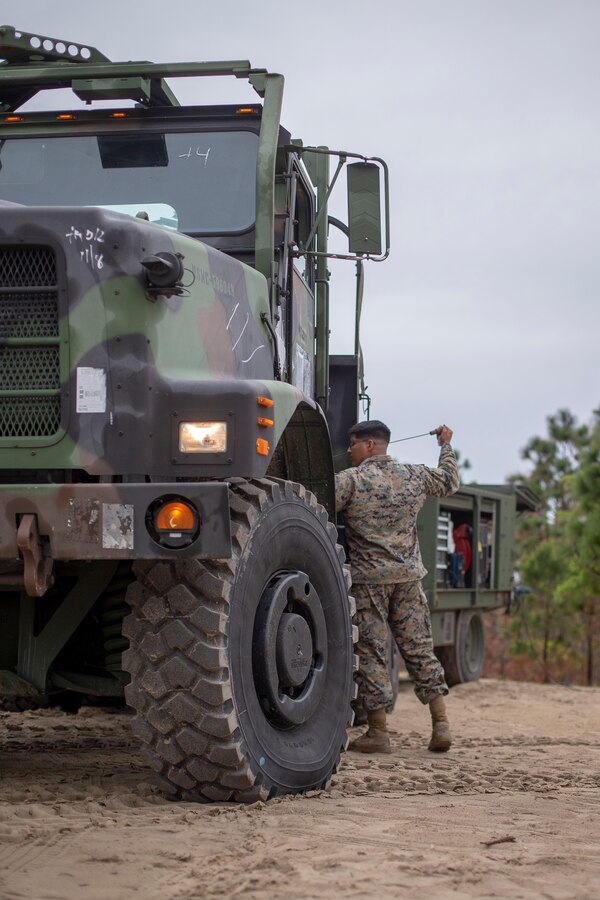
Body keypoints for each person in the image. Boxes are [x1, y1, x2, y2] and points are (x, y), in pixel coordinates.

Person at [335, 420, 460, 754]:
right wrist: (445, 445)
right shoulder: (415, 476)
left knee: (372, 653)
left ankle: (378, 733)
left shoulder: (352, 481)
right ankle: (441, 724)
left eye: (354, 444)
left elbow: (317, 503)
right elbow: (450, 481)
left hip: (369, 584)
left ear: (372, 445)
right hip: (407, 580)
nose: (349, 450)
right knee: (419, 649)